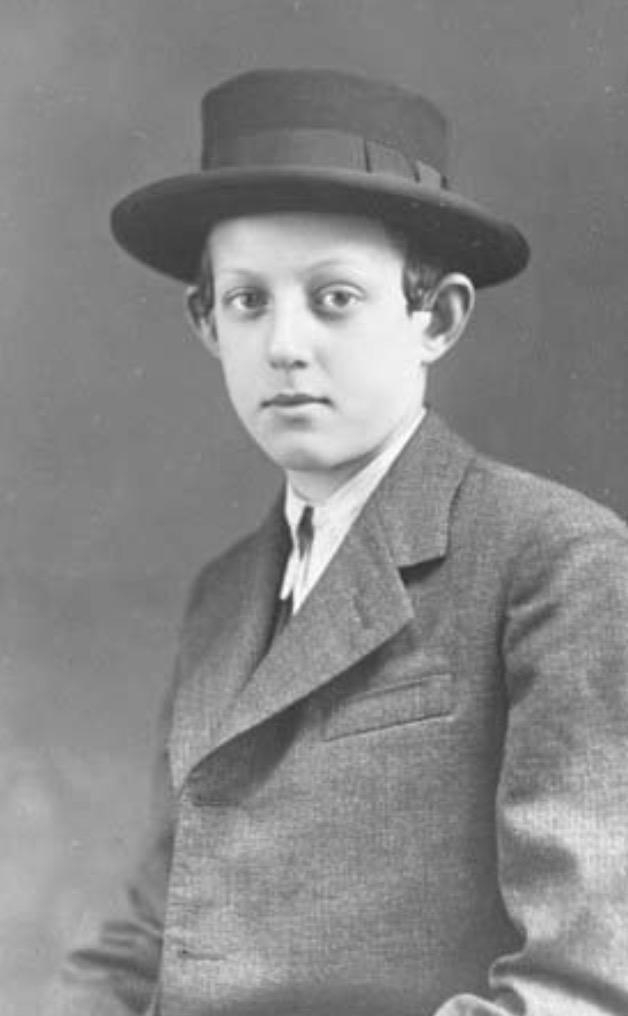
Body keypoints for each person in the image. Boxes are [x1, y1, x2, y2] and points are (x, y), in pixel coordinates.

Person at [45, 68, 628, 1016]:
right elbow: (150, 935)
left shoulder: (554, 563)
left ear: (434, 318)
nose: (284, 345)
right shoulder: (225, 594)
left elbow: (581, 982)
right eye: (246, 301)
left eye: (335, 298)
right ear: (205, 324)